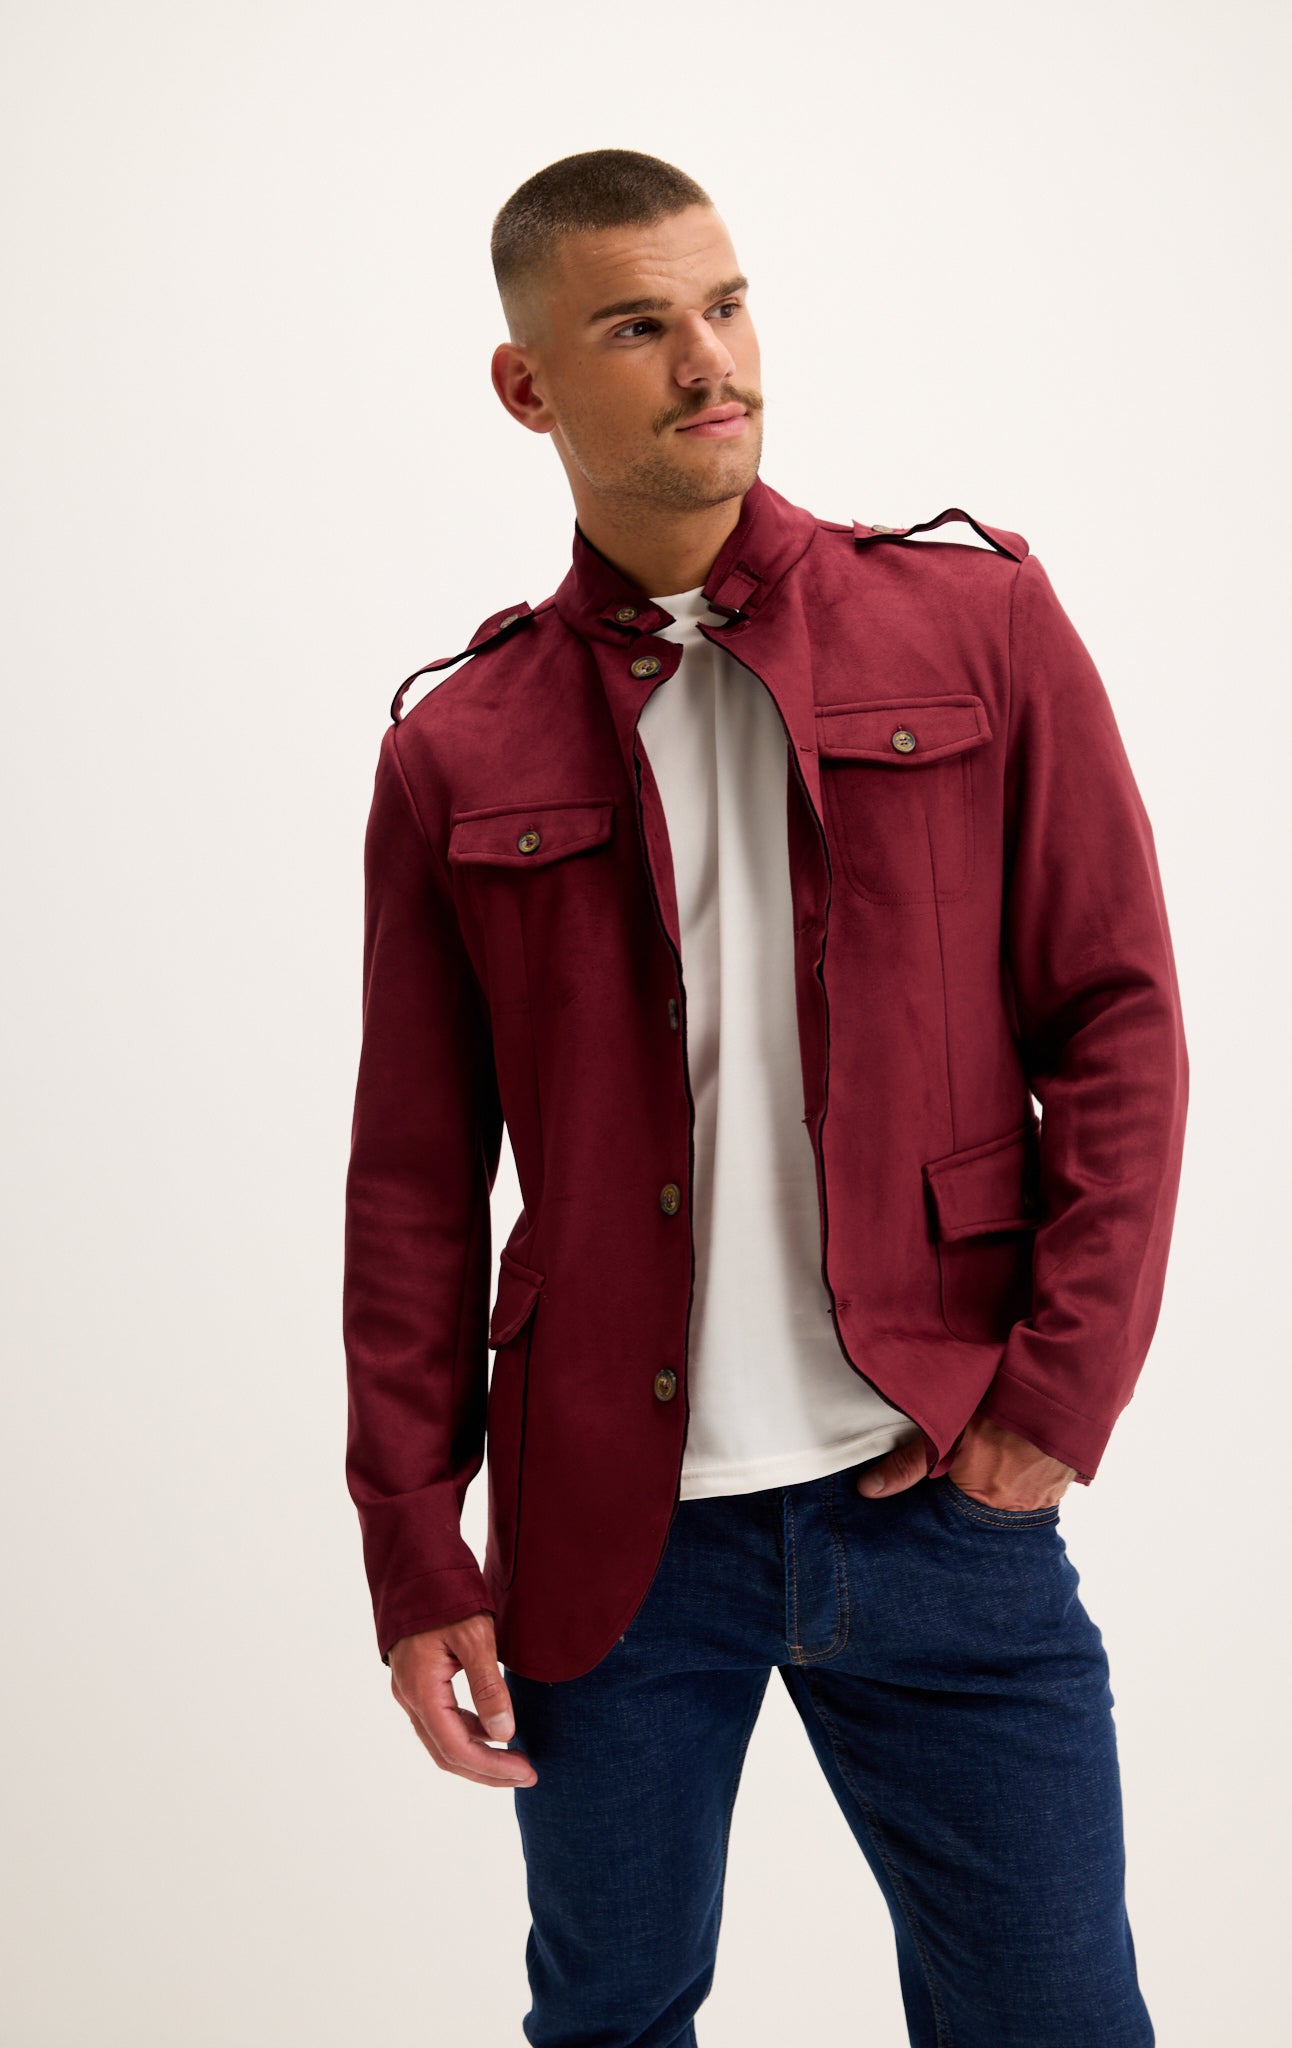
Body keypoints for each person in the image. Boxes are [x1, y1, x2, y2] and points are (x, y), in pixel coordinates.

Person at [342, 148, 1187, 2047]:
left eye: (725, 306)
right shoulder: (457, 746)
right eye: (639, 326)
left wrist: (1054, 1401)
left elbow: (1118, 1018)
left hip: (940, 1489)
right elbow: (412, 1181)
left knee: (1059, 2018)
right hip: (610, 1541)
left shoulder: (976, 626)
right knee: (613, 2022)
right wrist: (414, 1540)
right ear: (528, 385)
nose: (709, 361)